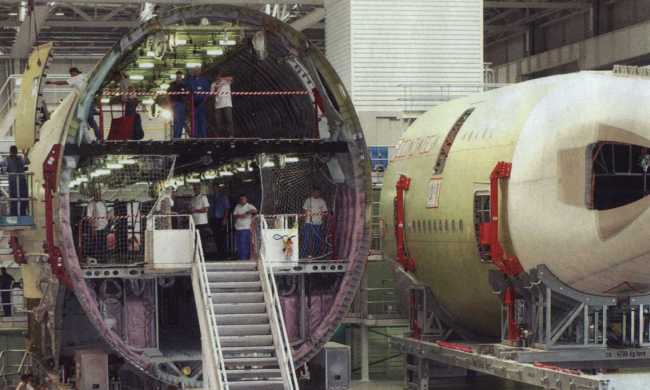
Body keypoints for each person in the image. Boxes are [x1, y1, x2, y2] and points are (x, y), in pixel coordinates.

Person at [48, 67, 100, 140]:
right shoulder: (83, 77)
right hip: (90, 100)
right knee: (91, 120)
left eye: (71, 74)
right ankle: (98, 136)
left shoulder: (76, 78)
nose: (71, 76)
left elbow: (63, 83)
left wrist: (52, 82)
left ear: (74, 72)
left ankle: (95, 136)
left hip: (86, 102)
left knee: (83, 119)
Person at [0, 146, 29, 217]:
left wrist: (25, 155)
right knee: (13, 199)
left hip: (22, 181)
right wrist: (3, 169)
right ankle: (14, 215)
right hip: (13, 182)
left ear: (16, 152)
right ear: (10, 152)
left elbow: (27, 162)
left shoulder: (20, 158)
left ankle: (23, 214)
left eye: (15, 151)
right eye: (13, 151)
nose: (14, 153)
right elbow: (2, 165)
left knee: (24, 197)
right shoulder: (7, 159)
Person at [301, 188, 328, 258]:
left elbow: (325, 212)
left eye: (318, 192)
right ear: (312, 192)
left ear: (319, 193)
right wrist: (304, 222)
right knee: (306, 239)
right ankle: (304, 254)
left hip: (318, 224)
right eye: (315, 192)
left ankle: (317, 254)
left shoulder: (322, 201)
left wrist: (323, 222)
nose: (316, 193)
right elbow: (304, 211)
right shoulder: (308, 200)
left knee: (317, 240)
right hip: (308, 223)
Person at [185, 66, 211, 138]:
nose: (196, 72)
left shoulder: (204, 81)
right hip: (193, 104)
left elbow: (208, 92)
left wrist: (204, 101)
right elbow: (186, 88)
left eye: (198, 70)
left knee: (202, 120)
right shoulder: (190, 80)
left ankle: (203, 136)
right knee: (194, 120)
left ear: (200, 71)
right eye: (195, 70)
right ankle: (195, 136)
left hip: (202, 104)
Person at [209, 184, 230, 259]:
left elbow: (227, 209)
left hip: (221, 218)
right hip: (213, 218)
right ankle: (218, 253)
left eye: (216, 188)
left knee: (222, 237)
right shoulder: (211, 198)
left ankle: (224, 254)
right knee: (215, 237)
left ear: (219, 189)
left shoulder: (223, 197)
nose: (215, 190)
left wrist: (225, 219)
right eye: (213, 188)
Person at [233, 194, 257, 260]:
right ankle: (241, 258)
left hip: (246, 228)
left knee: (245, 244)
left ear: (246, 199)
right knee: (239, 244)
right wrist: (241, 216)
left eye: (243, 199)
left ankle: (244, 258)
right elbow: (234, 215)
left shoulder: (249, 206)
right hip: (238, 228)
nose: (242, 200)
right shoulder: (237, 206)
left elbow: (255, 211)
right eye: (240, 199)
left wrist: (246, 213)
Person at [86, 190, 108, 261]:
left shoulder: (103, 203)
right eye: (97, 194)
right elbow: (89, 217)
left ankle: (103, 258)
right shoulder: (91, 204)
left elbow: (106, 213)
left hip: (104, 226)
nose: (98, 196)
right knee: (96, 243)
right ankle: (96, 258)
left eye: (99, 194)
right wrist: (93, 226)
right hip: (96, 227)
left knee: (103, 243)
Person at [211, 72, 235, 137]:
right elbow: (212, 94)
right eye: (216, 76)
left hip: (227, 103)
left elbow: (231, 78)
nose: (217, 77)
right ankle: (219, 136)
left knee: (229, 119)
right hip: (218, 105)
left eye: (218, 76)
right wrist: (217, 87)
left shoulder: (226, 81)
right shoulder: (213, 84)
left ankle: (231, 135)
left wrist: (221, 80)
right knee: (218, 122)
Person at [168, 70, 189, 139]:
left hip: (182, 104)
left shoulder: (184, 84)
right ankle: (176, 136)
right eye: (177, 77)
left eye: (180, 77)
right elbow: (169, 93)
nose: (178, 78)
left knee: (182, 121)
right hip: (176, 104)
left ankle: (178, 136)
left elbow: (187, 93)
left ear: (181, 77)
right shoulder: (172, 84)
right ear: (176, 77)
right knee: (177, 121)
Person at [191, 184, 211, 251]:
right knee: (195, 238)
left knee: (202, 239)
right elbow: (191, 208)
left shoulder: (203, 197)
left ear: (199, 189)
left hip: (202, 222)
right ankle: (197, 253)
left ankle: (204, 254)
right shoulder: (193, 198)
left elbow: (206, 209)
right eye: (194, 188)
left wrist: (195, 210)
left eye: (196, 188)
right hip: (194, 221)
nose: (195, 190)